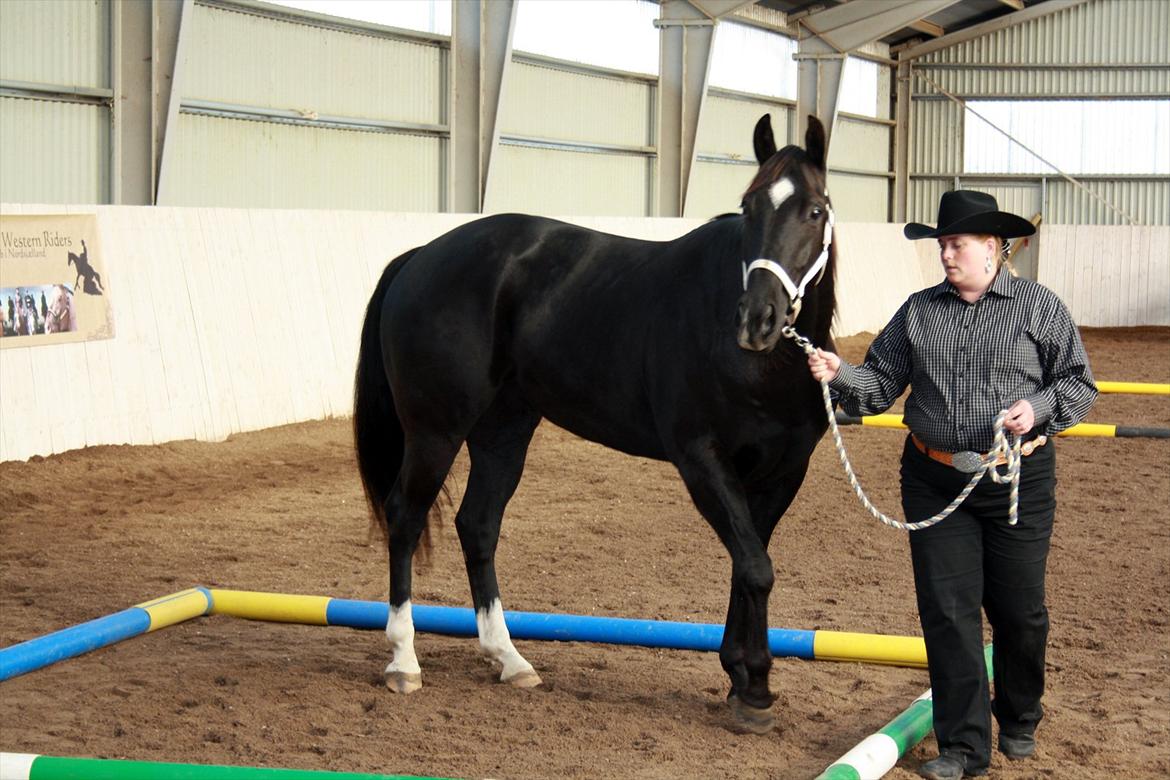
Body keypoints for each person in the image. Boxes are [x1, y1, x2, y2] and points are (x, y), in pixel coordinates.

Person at [808, 190, 1097, 779]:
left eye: (956, 244)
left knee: (1019, 611)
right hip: (933, 480)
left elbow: (1079, 384)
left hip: (1017, 477)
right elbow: (880, 384)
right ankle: (964, 747)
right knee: (947, 610)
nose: (945, 254)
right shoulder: (917, 312)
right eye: (941, 244)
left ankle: (1019, 713)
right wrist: (842, 375)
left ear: (992, 248)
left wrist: (1038, 408)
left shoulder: (1040, 308)